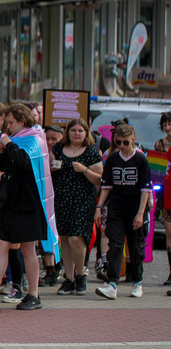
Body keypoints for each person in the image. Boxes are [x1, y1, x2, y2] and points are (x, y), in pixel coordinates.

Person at [0, 103, 50, 313]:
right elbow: (3, 167)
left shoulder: (34, 138)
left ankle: (33, 294)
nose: (9, 127)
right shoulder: (14, 140)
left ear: (22, 122)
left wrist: (9, 144)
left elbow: (24, 161)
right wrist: (1, 150)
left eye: (11, 123)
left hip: (28, 203)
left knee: (28, 248)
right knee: (0, 245)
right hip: (10, 203)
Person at [95, 123, 151, 300]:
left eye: (125, 142)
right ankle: (112, 283)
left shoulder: (141, 160)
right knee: (116, 245)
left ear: (133, 140)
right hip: (117, 206)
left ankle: (137, 282)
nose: (121, 146)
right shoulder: (112, 158)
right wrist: (99, 207)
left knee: (135, 247)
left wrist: (141, 213)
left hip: (135, 206)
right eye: (118, 142)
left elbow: (145, 189)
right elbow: (106, 185)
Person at [52, 119, 102, 296]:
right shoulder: (58, 149)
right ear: (68, 132)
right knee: (64, 238)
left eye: (81, 130)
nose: (77, 133)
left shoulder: (91, 152)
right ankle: (69, 278)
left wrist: (85, 170)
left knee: (76, 238)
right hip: (62, 199)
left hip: (83, 200)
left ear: (86, 133)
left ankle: (81, 275)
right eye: (73, 130)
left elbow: (99, 178)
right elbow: (50, 166)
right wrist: (54, 166)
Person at [154, 111, 171, 285]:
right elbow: (157, 173)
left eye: (170, 124)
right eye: (165, 125)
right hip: (166, 194)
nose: (167, 128)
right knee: (169, 234)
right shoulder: (160, 144)